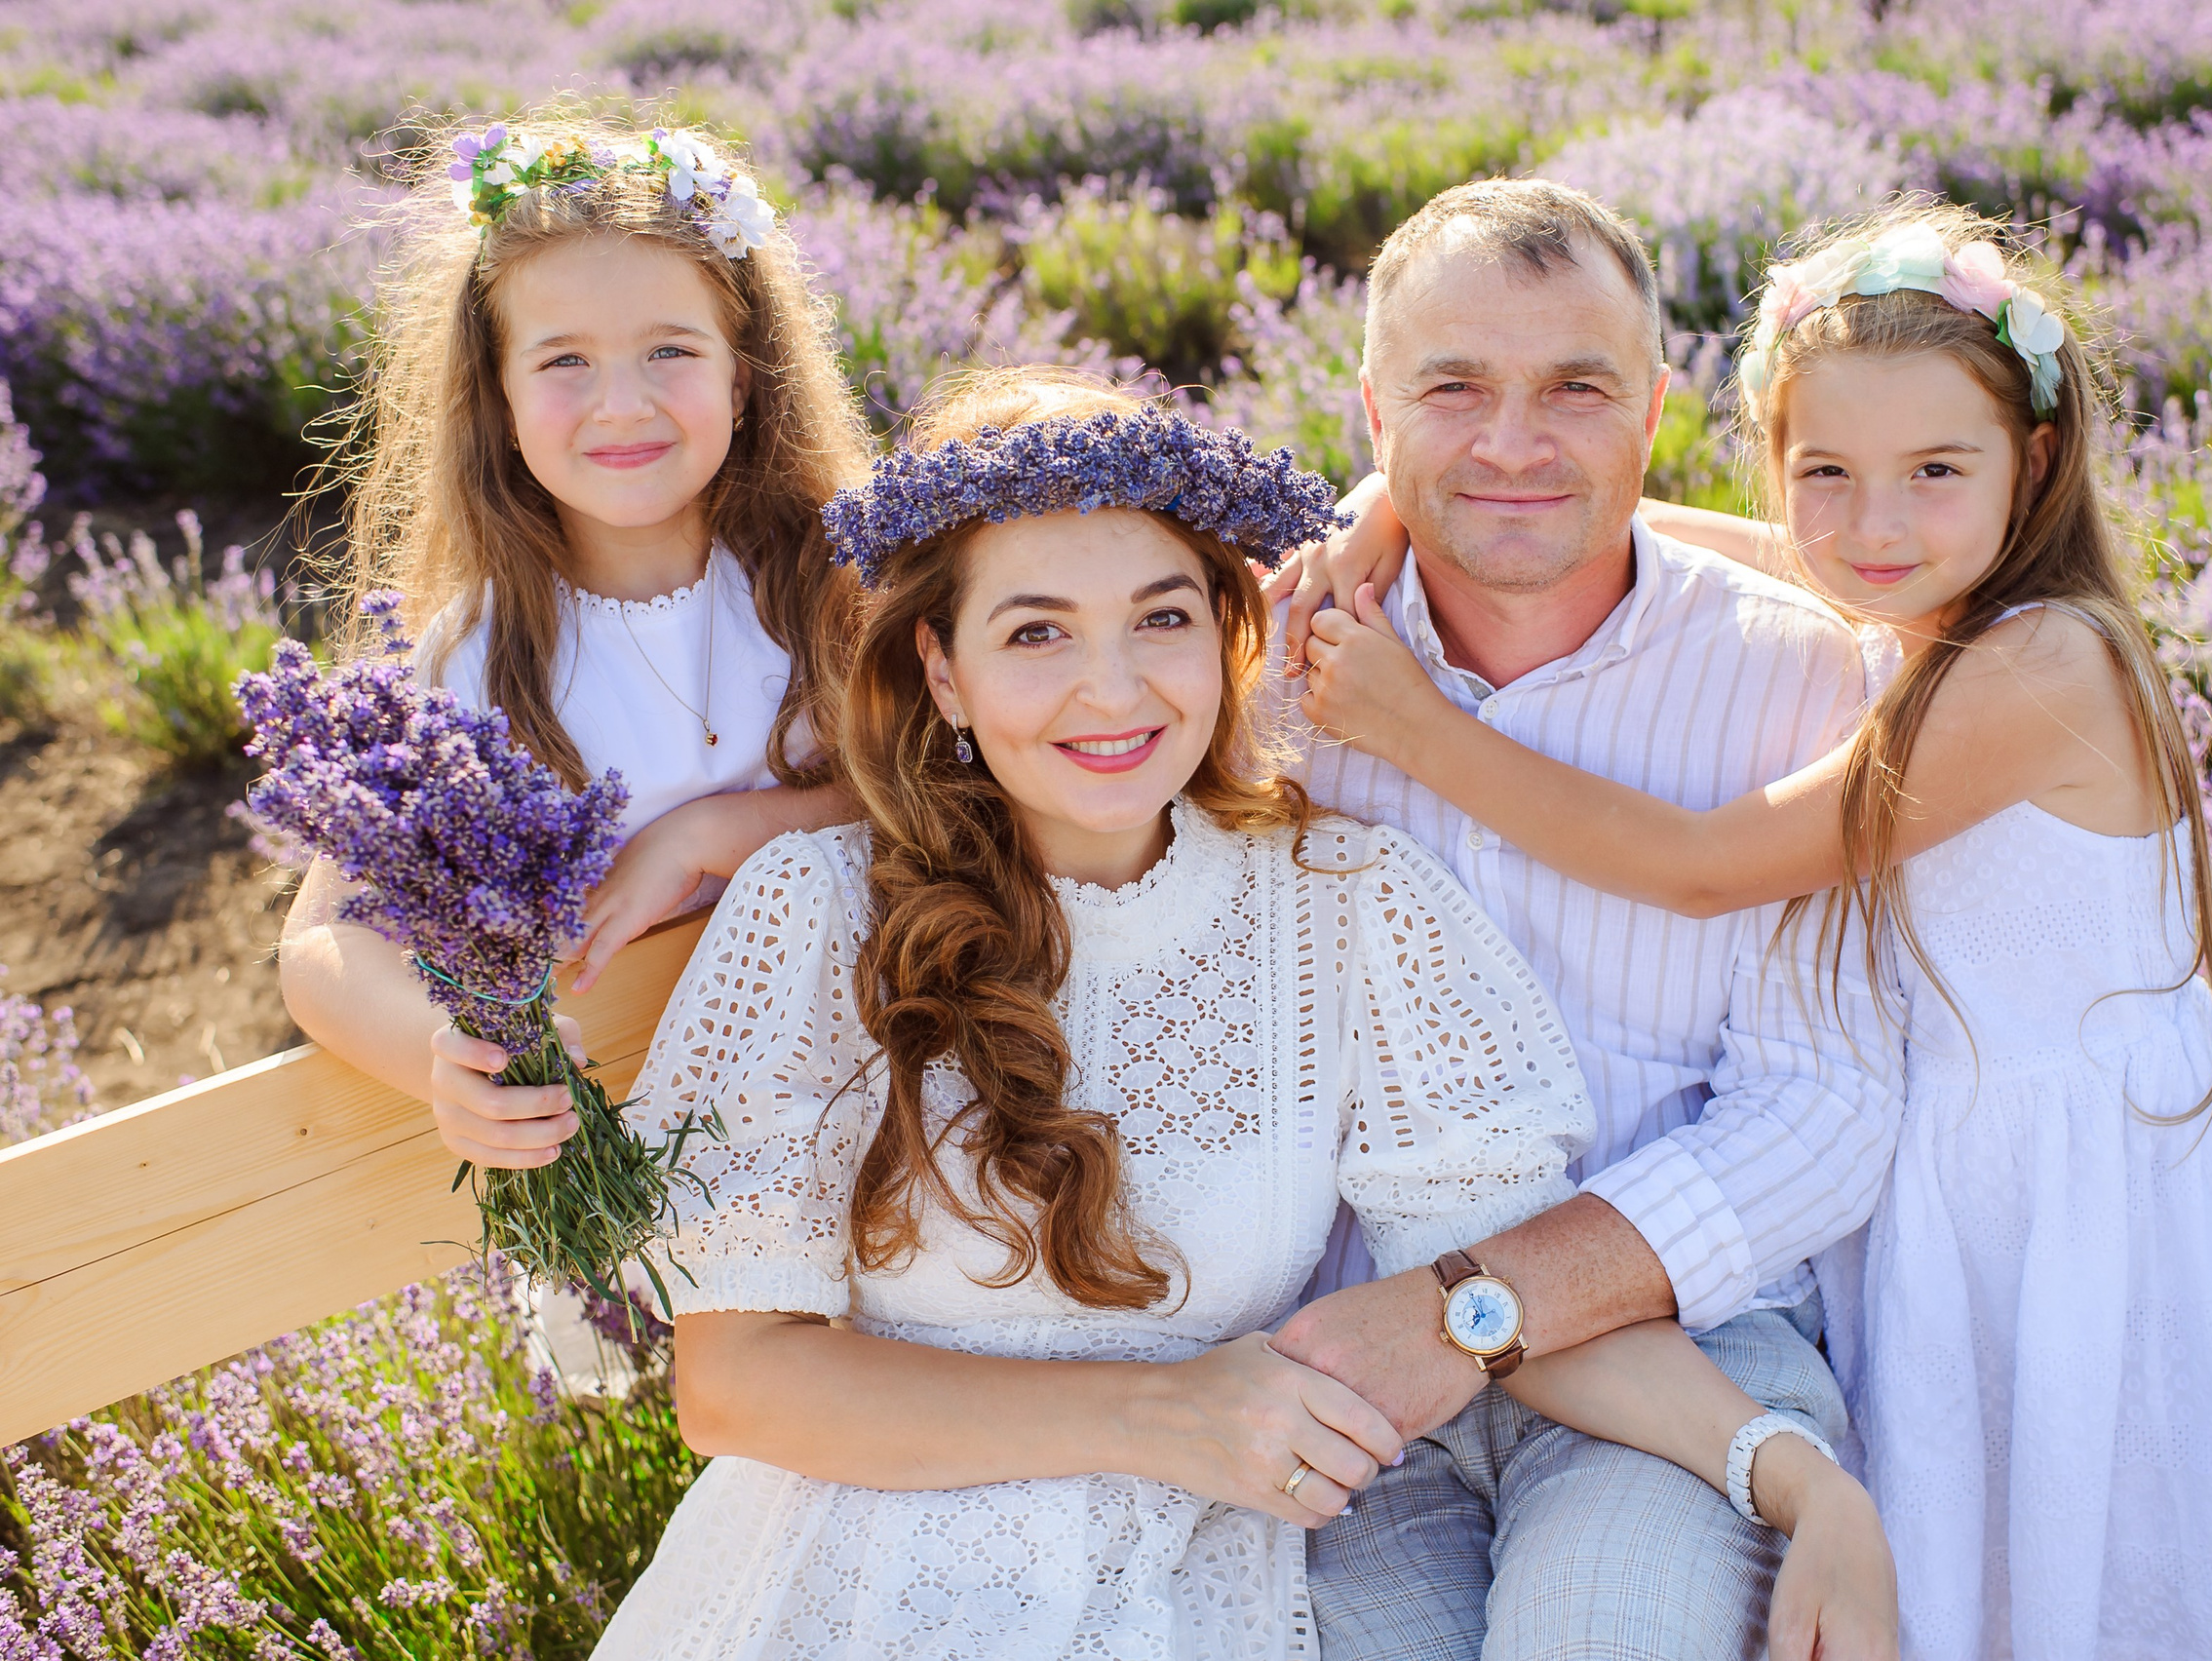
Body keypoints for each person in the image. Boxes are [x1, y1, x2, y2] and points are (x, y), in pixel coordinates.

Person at [589, 368, 1884, 1660]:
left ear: (1226, 635)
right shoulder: (816, 910)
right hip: (858, 1580)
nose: (1113, 690)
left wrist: (1795, 1479)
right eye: (1035, 634)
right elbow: (735, 1380)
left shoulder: (1341, 900)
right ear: (941, 672)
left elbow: (1491, 1300)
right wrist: (1157, 1415)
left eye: (1161, 620)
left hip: (1196, 1589)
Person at [1295, 199, 2212, 1657]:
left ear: (2033, 463)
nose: (1873, 522)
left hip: (2065, 1206)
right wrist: (1401, 498)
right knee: (1983, 1560)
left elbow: (1712, 866)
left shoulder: (2038, 664)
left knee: (2108, 1550)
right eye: (1825, 475)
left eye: (1931, 471)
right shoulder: (1918, 608)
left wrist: (1413, 725)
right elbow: (1686, 523)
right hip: (1949, 1189)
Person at [1252, 177, 1906, 1660]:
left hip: (1683, 1370)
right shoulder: (1264, 676)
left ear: (1657, 410)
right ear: (1373, 414)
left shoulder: (1798, 681)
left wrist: (1471, 1313)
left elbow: (1821, 1115)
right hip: (1342, 1383)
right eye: (1455, 388)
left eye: (1576, 388)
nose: (1513, 443)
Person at [279, 110, 871, 1193]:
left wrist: (712, 833)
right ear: (498, 403)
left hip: (880, 1085)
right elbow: (321, 947)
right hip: (643, 1147)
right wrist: (439, 1059)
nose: (623, 403)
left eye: (670, 351)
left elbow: (942, 788)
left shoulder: (832, 582)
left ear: (744, 378)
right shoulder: (475, 659)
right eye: (564, 361)